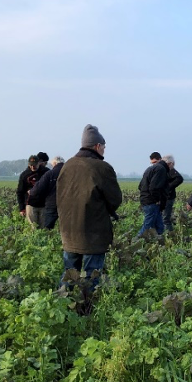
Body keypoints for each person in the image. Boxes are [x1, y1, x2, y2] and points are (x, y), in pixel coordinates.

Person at [56, 124, 122, 289]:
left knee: (69, 273)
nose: (104, 151)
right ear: (97, 146)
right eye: (104, 147)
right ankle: (87, 307)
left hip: (68, 230)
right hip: (93, 232)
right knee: (92, 275)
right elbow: (115, 200)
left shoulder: (67, 165)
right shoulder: (102, 168)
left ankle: (64, 303)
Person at [29, 156, 65, 230]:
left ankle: (47, 239)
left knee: (47, 227)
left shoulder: (50, 173)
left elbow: (38, 188)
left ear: (54, 163)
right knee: (66, 227)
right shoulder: (70, 173)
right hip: (67, 204)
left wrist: (31, 192)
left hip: (52, 204)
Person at [137, 151, 169, 236]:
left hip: (146, 201)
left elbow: (140, 186)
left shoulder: (149, 169)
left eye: (155, 162)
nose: (154, 164)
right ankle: (136, 241)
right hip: (152, 202)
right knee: (147, 226)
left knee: (159, 226)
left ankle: (160, 243)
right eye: (152, 163)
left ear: (160, 159)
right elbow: (153, 188)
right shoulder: (160, 169)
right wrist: (157, 199)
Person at [16, 155, 46, 226]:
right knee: (33, 228)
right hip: (30, 205)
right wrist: (22, 208)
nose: (33, 167)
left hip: (44, 205)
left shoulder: (46, 172)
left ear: (39, 163)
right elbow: (20, 192)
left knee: (44, 229)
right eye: (31, 165)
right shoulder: (24, 175)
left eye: (35, 165)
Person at [161, 155, 183, 232]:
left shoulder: (171, 170)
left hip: (168, 197)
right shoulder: (165, 170)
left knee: (165, 218)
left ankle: (169, 234)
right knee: (163, 217)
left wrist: (168, 187)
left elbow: (179, 179)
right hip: (165, 197)